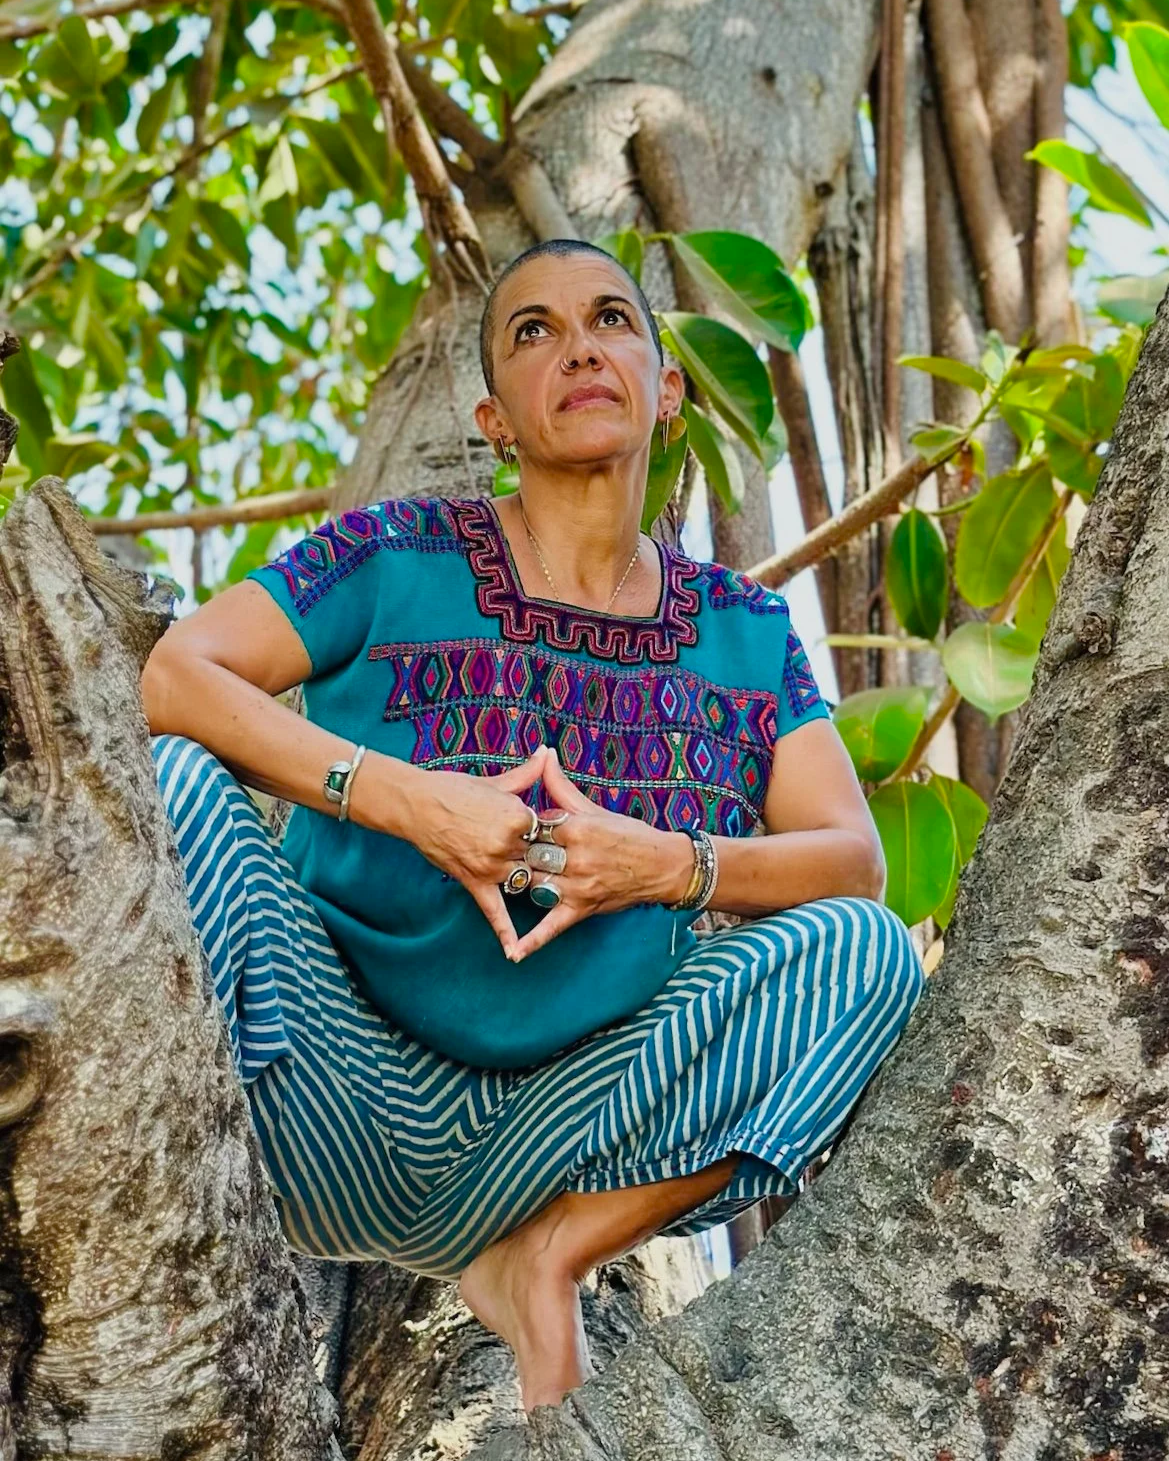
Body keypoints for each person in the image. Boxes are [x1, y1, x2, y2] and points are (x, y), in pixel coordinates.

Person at [141, 237, 927, 1413]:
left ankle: (545, 1259)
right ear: (493, 417)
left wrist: (667, 866)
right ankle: (152, 1243)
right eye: (532, 332)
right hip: (321, 1076)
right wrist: (415, 800)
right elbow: (173, 678)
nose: (577, 349)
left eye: (611, 319)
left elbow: (850, 862)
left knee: (861, 952)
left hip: (558, 1136)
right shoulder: (390, 551)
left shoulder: (745, 629)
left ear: (666, 393)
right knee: (173, 785)